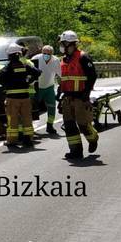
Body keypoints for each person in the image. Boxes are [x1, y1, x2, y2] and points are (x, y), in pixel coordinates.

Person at [58, 30, 98, 160]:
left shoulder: (83, 57)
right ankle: (75, 151)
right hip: (67, 98)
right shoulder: (63, 60)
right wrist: (60, 97)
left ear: (71, 44)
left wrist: (86, 96)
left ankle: (93, 138)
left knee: (83, 125)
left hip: (81, 97)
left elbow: (92, 76)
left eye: (64, 44)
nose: (62, 46)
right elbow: (63, 80)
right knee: (69, 125)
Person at [0, 43, 41, 147]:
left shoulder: (8, 67)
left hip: (12, 99)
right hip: (25, 97)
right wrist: (29, 81)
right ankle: (28, 140)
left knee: (13, 120)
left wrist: (7, 85)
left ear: (10, 55)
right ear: (19, 54)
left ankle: (12, 141)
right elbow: (38, 72)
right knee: (27, 119)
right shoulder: (24, 65)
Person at [32, 45, 62, 135]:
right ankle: (29, 128)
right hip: (37, 87)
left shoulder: (56, 60)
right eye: (44, 53)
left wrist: (63, 85)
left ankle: (50, 125)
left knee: (52, 107)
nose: (46, 55)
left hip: (49, 87)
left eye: (48, 54)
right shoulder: (36, 59)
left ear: (52, 53)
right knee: (33, 108)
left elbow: (60, 74)